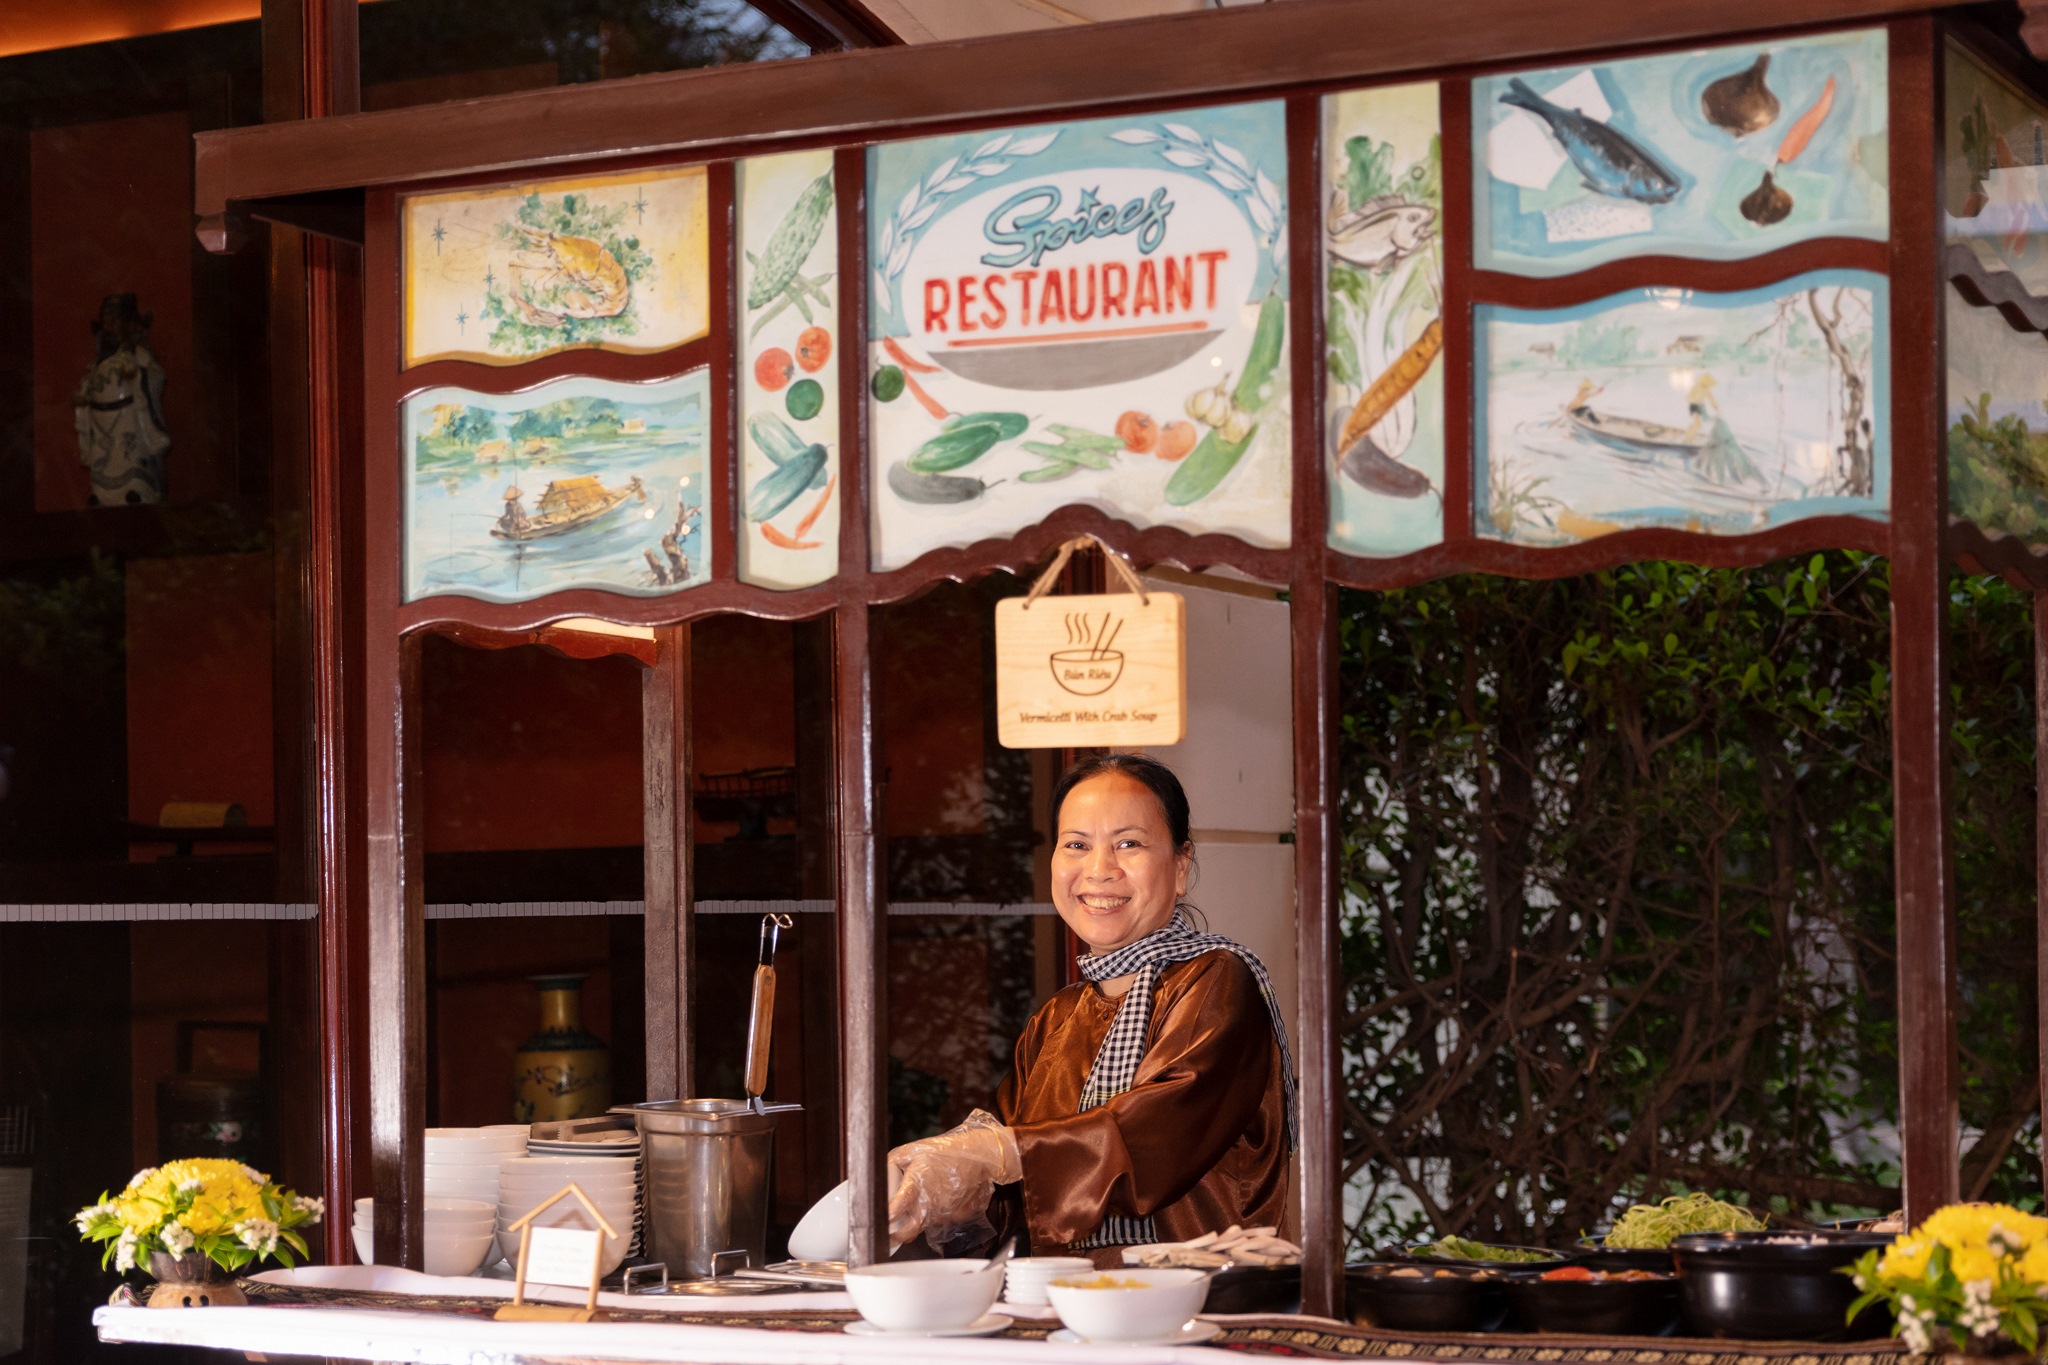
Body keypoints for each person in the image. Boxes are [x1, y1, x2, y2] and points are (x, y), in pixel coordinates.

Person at [886, 753, 1296, 1264]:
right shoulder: (1056, 1018)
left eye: (1129, 844)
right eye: (1077, 845)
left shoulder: (1217, 981)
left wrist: (995, 1153)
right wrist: (940, 1188)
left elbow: (1153, 1137)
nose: (1099, 870)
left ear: (1180, 866)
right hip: (1067, 1299)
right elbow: (1016, 1195)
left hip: (1197, 1296)